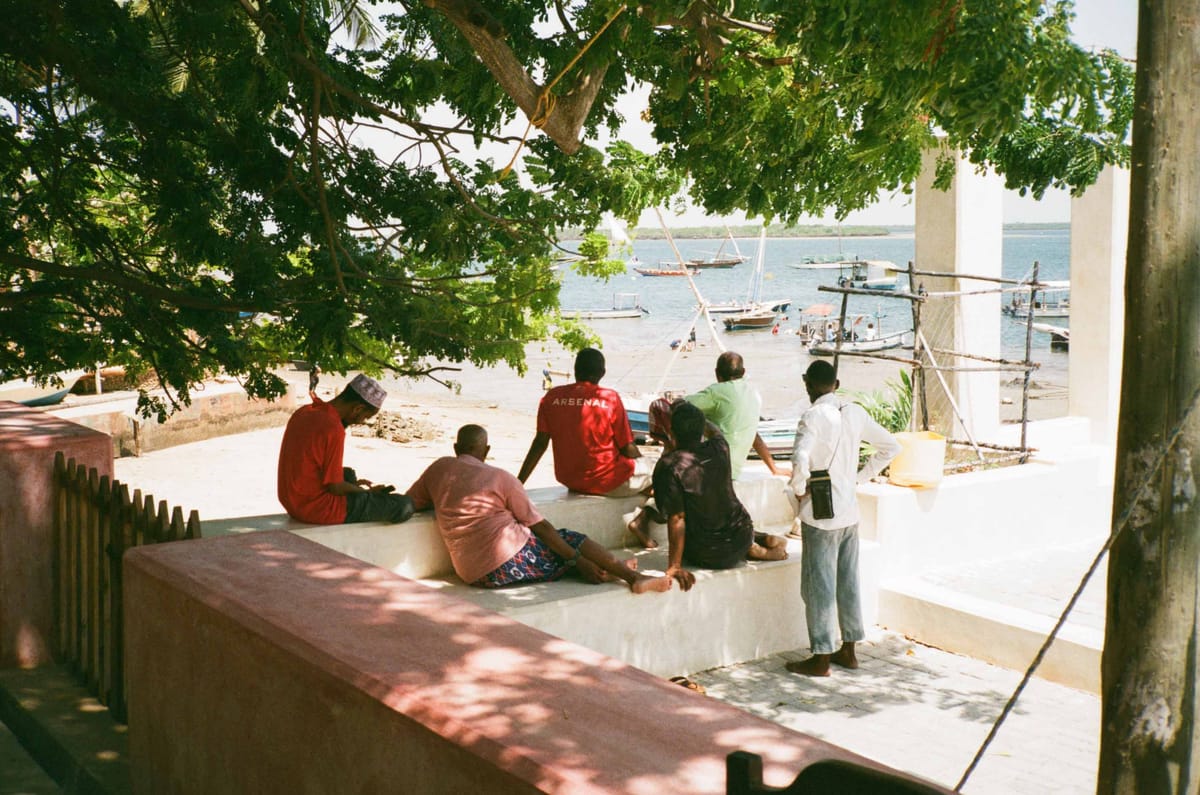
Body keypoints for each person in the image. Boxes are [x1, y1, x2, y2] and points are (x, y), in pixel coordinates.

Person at [408, 425, 671, 594]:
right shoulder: (500, 478)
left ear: (456, 448)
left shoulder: (439, 469)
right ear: (486, 450)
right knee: (570, 540)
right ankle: (632, 577)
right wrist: (577, 560)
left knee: (554, 553)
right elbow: (542, 528)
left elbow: (412, 502)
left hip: (470, 572)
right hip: (504, 565)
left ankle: (609, 568)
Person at [785, 360, 900, 677]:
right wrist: (858, 478)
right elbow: (891, 446)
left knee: (818, 587)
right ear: (836, 384)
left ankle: (820, 656)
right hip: (849, 511)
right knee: (848, 582)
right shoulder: (855, 412)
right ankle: (849, 650)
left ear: (808, 384)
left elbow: (800, 457)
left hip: (820, 514)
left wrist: (798, 488)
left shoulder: (812, 415)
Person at [647, 403, 788, 592]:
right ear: (700, 429)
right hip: (741, 534)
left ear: (672, 431)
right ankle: (755, 545)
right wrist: (701, 420)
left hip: (706, 552)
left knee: (706, 526)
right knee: (726, 519)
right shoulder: (720, 448)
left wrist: (675, 566)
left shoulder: (669, 466)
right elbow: (716, 431)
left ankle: (756, 548)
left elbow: (676, 518)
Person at [277, 374, 415, 525]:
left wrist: (353, 487)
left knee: (348, 474)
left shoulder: (305, 411)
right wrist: (367, 493)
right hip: (315, 508)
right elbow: (335, 487)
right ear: (357, 408)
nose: (362, 421)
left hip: (291, 500)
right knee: (404, 505)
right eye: (366, 417)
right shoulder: (333, 428)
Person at [518, 348, 651, 500]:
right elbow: (627, 448)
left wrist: (519, 482)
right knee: (660, 470)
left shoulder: (551, 397)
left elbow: (540, 444)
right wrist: (641, 462)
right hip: (608, 481)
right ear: (602, 372)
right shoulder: (610, 398)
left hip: (571, 480)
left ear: (575, 370)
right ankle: (646, 515)